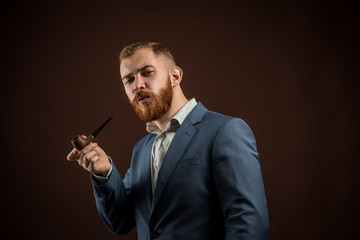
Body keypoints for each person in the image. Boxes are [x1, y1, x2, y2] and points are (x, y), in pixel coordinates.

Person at [67, 42, 269, 240]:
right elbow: (121, 222)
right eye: (129, 80)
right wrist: (104, 173)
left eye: (147, 72)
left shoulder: (225, 131)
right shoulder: (141, 149)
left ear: (175, 76)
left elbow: (248, 223)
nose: (138, 85)